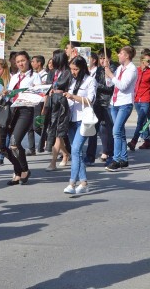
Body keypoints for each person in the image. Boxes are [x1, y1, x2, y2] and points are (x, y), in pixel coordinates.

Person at [4, 51, 41, 185]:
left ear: (28, 61)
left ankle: (24, 170)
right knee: (8, 145)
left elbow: (39, 93)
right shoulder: (14, 77)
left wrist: (28, 92)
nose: (20, 63)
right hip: (13, 111)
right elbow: (9, 95)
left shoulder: (34, 76)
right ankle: (17, 172)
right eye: (18, 61)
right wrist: (6, 93)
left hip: (26, 110)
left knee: (14, 142)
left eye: (23, 60)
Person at [63, 56, 97, 194]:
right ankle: (84, 183)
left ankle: (72, 183)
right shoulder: (71, 80)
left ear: (83, 68)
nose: (73, 72)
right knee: (77, 152)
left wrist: (73, 97)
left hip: (84, 120)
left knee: (76, 150)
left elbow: (91, 100)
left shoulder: (90, 80)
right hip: (71, 119)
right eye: (71, 69)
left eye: (76, 69)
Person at [105, 46, 137, 171]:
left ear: (127, 56)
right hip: (115, 102)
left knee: (116, 131)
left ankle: (116, 159)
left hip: (125, 103)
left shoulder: (132, 69)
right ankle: (124, 158)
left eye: (121, 53)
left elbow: (123, 86)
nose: (118, 55)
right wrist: (107, 74)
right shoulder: (119, 68)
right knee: (121, 132)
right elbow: (110, 84)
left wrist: (111, 75)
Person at [44, 51, 72, 171]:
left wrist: (58, 91)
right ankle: (65, 153)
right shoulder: (52, 72)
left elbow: (67, 87)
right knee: (52, 129)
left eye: (55, 58)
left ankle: (53, 161)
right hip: (52, 102)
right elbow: (48, 85)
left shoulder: (68, 72)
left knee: (59, 132)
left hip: (63, 104)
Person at [87, 49, 115, 165]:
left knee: (109, 130)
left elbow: (110, 87)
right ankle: (90, 156)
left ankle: (110, 155)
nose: (102, 61)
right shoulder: (98, 70)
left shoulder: (112, 69)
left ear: (109, 59)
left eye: (104, 58)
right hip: (97, 103)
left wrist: (97, 85)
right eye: (101, 58)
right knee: (93, 130)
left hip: (108, 103)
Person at [128, 54, 150, 150]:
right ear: (142, 61)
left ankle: (134, 141)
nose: (149, 63)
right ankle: (148, 140)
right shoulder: (136, 71)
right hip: (137, 99)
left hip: (146, 98)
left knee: (140, 121)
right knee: (146, 119)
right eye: (147, 61)